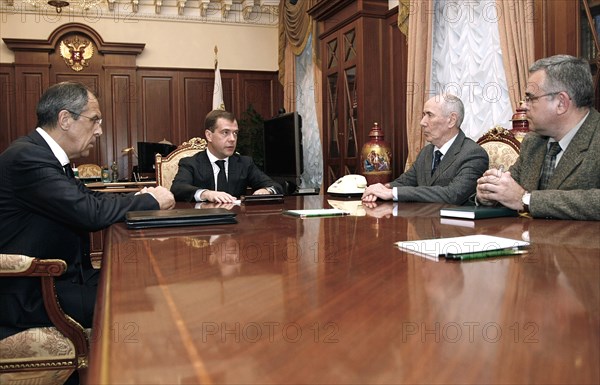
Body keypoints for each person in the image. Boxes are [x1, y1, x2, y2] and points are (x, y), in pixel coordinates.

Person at [0, 81, 175, 340]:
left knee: (149, 285)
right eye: (94, 120)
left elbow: (86, 197)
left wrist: (141, 195)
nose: (100, 131)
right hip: (32, 291)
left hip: (62, 278)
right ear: (65, 119)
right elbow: (90, 212)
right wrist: (151, 201)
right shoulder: (27, 157)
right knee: (148, 305)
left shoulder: (43, 155)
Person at [476, 55, 600, 220]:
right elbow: (512, 191)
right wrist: (491, 192)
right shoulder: (533, 141)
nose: (523, 106)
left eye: (530, 98)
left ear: (561, 103)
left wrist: (527, 199)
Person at [361, 94, 489, 204]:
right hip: (423, 223)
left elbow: (453, 195)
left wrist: (392, 193)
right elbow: (406, 181)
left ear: (451, 120)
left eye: (429, 115)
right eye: (423, 115)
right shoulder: (426, 152)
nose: (422, 122)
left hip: (455, 228)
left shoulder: (473, 154)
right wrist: (380, 188)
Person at [171, 109, 283, 202]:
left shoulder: (244, 163)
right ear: (209, 135)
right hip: (203, 222)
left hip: (237, 222)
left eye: (235, 133)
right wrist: (206, 193)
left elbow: (275, 186)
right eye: (225, 132)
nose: (232, 139)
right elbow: (178, 188)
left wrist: (267, 191)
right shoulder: (191, 163)